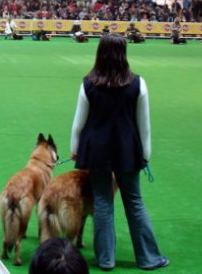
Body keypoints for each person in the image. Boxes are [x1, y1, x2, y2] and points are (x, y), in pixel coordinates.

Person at [70, 34, 169, 271]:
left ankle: (105, 259)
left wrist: (74, 148)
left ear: (100, 53)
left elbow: (78, 123)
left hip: (96, 150)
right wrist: (146, 154)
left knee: (103, 203)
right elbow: (144, 125)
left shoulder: (87, 83)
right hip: (128, 150)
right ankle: (148, 258)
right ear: (123, 54)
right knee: (134, 202)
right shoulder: (138, 84)